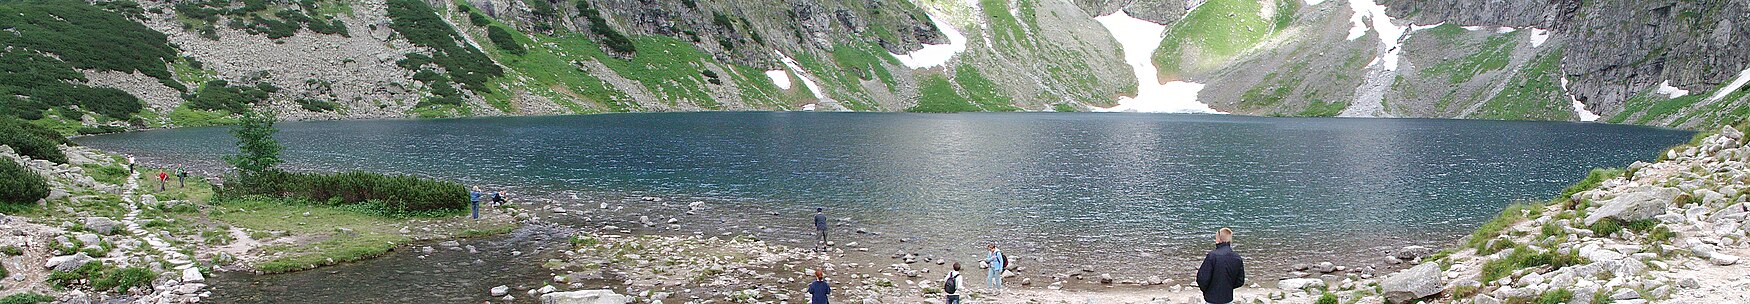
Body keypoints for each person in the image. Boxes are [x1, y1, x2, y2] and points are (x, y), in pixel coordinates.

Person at [1196, 228, 1246, 304]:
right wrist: (1228, 287)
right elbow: (1240, 281)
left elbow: (1202, 278)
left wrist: (1207, 290)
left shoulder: (1212, 256)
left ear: (1219, 239)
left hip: (1211, 298)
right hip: (1227, 298)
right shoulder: (1237, 257)